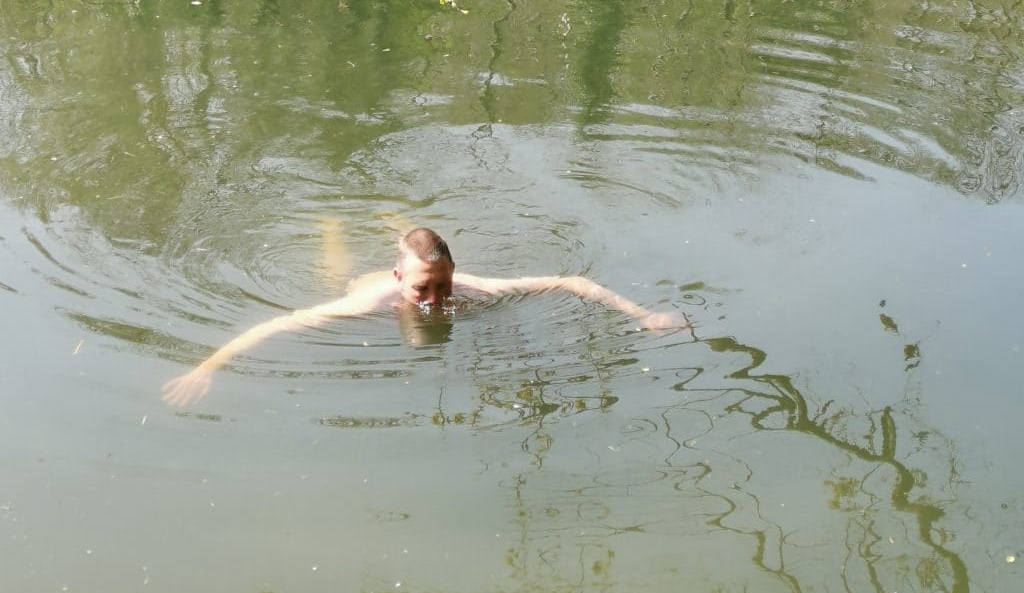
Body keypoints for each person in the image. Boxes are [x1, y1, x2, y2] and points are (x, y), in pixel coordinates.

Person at [162, 228, 690, 406]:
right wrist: (207, 367)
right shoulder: (363, 304)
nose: (437, 299)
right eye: (424, 288)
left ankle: (390, 226)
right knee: (336, 266)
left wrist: (641, 315)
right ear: (401, 281)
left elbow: (571, 281)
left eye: (442, 284)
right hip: (358, 284)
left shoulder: (470, 288)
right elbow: (274, 325)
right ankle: (331, 230)